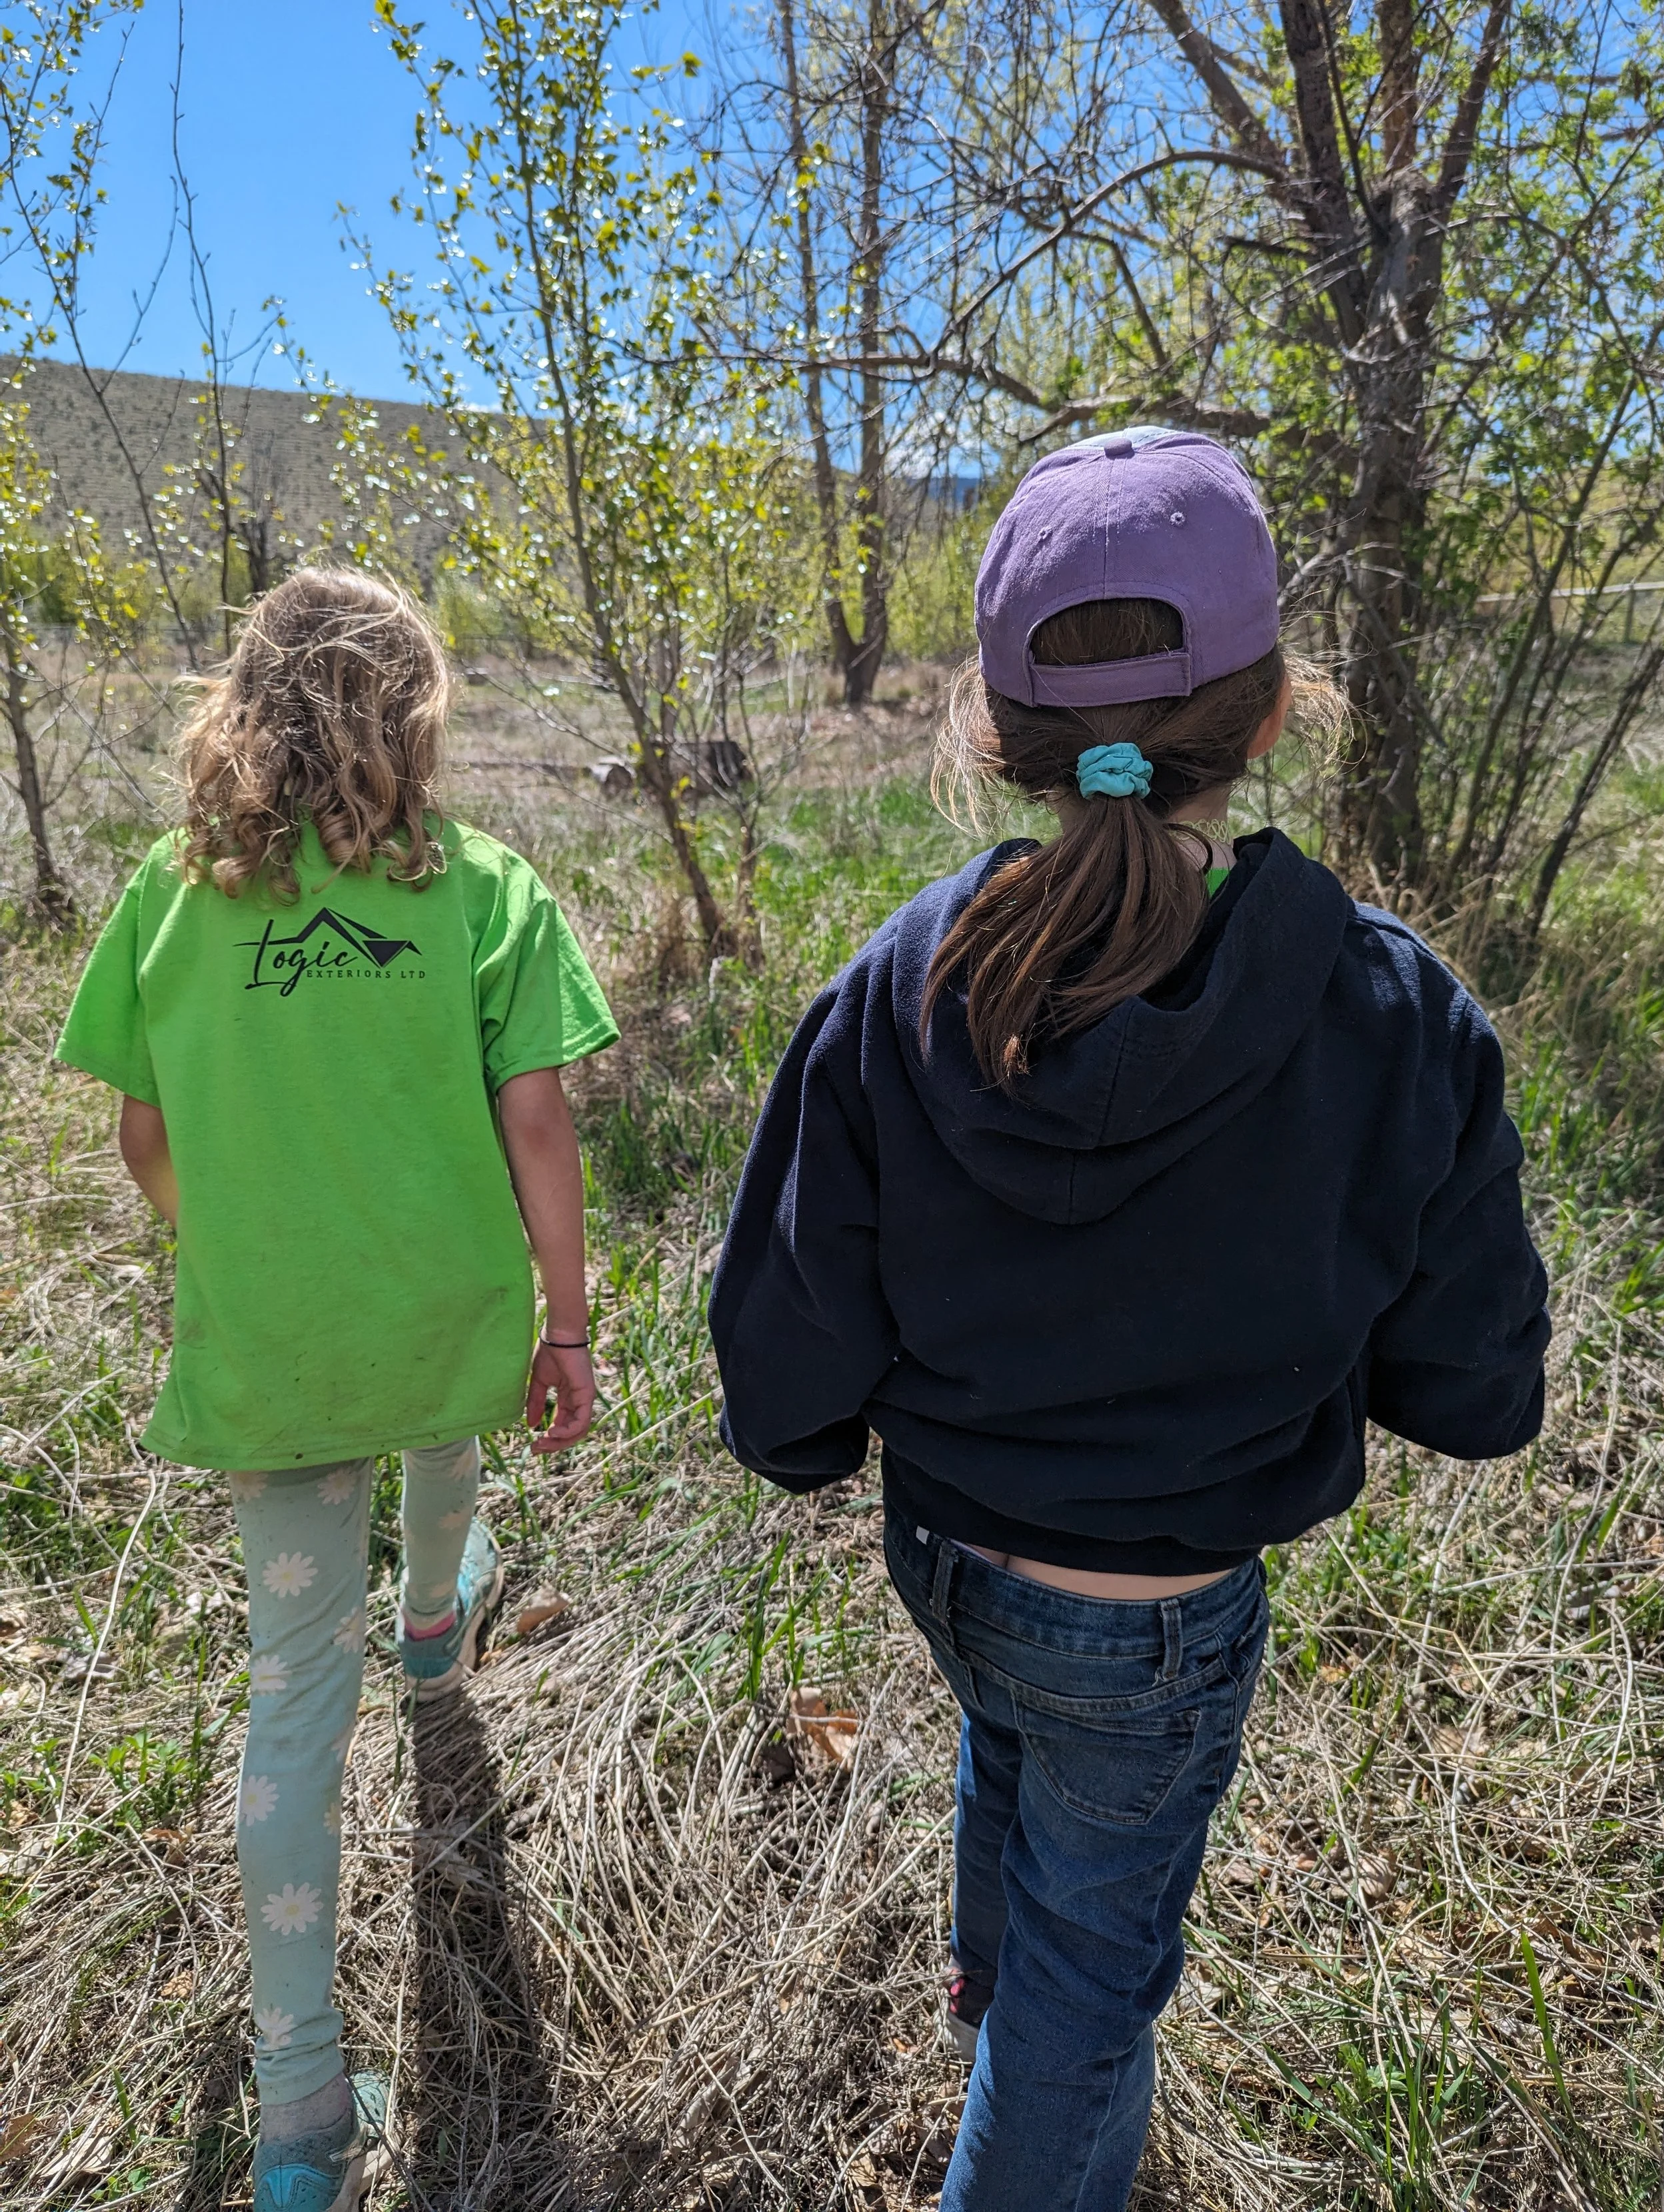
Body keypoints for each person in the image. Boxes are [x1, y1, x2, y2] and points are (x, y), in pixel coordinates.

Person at [708, 429, 1549, 2211]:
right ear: (1269, 717)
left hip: (949, 1561)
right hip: (1156, 1620)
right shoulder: (1389, 1007)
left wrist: (809, 1444)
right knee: (1096, 1988)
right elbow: (1470, 1383)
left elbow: (784, 1347)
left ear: (997, 738)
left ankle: (984, 1993)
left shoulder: (894, 986)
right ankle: (1017, 2071)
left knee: (1011, 1770)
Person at [55, 570, 618, 2212]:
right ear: (414, 710)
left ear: (249, 703)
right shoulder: (486, 885)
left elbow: (142, 1132)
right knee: (444, 1431)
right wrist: (563, 1325)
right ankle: (437, 1615)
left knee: (295, 1700)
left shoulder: (172, 892)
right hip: (444, 1318)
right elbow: (539, 1121)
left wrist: (225, 1247)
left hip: (279, 1352)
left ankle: (302, 2111)